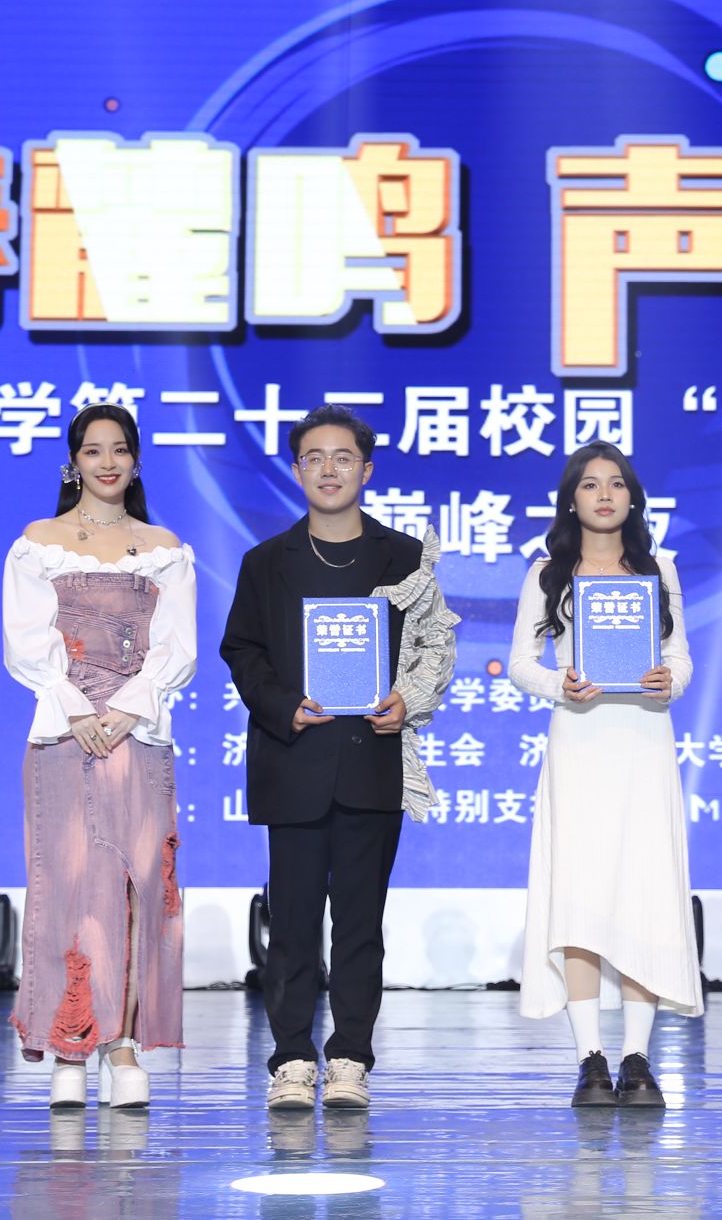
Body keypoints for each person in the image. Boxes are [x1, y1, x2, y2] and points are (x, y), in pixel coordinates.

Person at [220, 404, 457, 1111]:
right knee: (292, 926)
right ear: (297, 471)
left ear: (367, 469)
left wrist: (409, 698)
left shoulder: (403, 558)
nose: (329, 469)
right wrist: (282, 704)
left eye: (343, 457)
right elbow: (242, 650)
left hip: (371, 759)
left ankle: (350, 1057)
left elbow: (434, 643)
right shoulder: (266, 562)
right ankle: (292, 1060)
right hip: (293, 757)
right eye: (315, 457)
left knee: (359, 923)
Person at [1, 403, 197, 1110]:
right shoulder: (39, 543)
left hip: (138, 736)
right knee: (65, 885)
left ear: (136, 461)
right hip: (62, 733)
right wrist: (78, 710)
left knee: (137, 885)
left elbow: (177, 647)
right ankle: (68, 1046)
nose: (107, 462)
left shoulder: (164, 549)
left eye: (119, 450)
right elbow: (25, 641)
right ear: (73, 462)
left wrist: (125, 710)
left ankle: (122, 1046)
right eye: (93, 450)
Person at [509, 442, 701, 1109]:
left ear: (632, 497)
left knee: (645, 893)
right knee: (581, 896)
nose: (604, 495)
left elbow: (681, 657)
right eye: (590, 484)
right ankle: (590, 1058)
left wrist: (668, 680)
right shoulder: (547, 574)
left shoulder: (659, 569)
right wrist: (559, 683)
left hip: (644, 740)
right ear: (572, 498)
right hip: (580, 742)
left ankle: (637, 1058)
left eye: (616, 483)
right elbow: (521, 662)